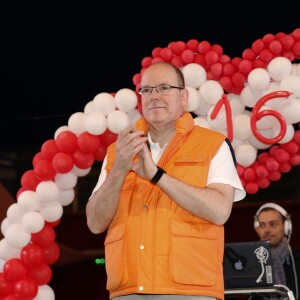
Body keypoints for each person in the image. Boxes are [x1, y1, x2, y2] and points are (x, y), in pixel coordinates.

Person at [86, 61, 246, 300]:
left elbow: (220, 210)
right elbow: (95, 223)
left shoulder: (212, 144)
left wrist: (157, 176)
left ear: (184, 97)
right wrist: (119, 169)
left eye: (163, 88)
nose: (154, 96)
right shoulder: (118, 151)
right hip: (128, 290)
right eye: (147, 90)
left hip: (190, 290)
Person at [254, 203, 300, 300]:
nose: (267, 230)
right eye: (262, 225)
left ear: (286, 227)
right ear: (257, 229)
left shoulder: (297, 259)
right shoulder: (252, 263)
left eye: (273, 224)